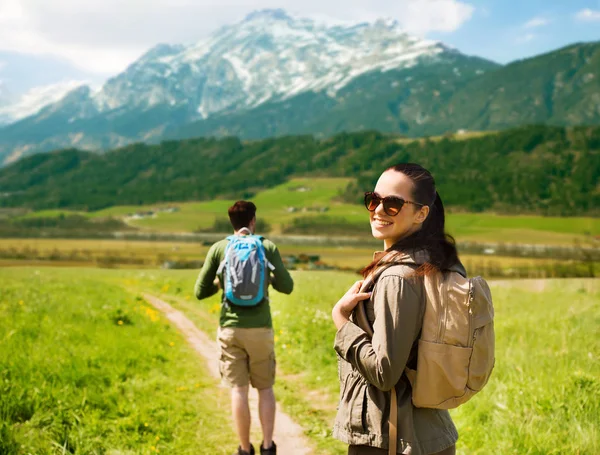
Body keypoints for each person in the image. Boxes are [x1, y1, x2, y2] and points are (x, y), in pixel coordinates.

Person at [331, 163, 463, 455]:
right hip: (427, 431)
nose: (378, 210)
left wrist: (341, 320)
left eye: (392, 204)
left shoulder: (397, 278)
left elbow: (384, 372)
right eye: (373, 200)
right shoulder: (433, 261)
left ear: (421, 213)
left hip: (392, 438)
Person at [194, 201, 294, 455]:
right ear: (253, 221)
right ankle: (268, 447)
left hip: (230, 329)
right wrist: (268, 278)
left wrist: (220, 283)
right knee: (265, 389)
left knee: (239, 390)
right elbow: (287, 286)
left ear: (232, 223)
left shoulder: (220, 248)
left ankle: (243, 448)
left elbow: (199, 291)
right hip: (261, 329)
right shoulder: (266, 246)